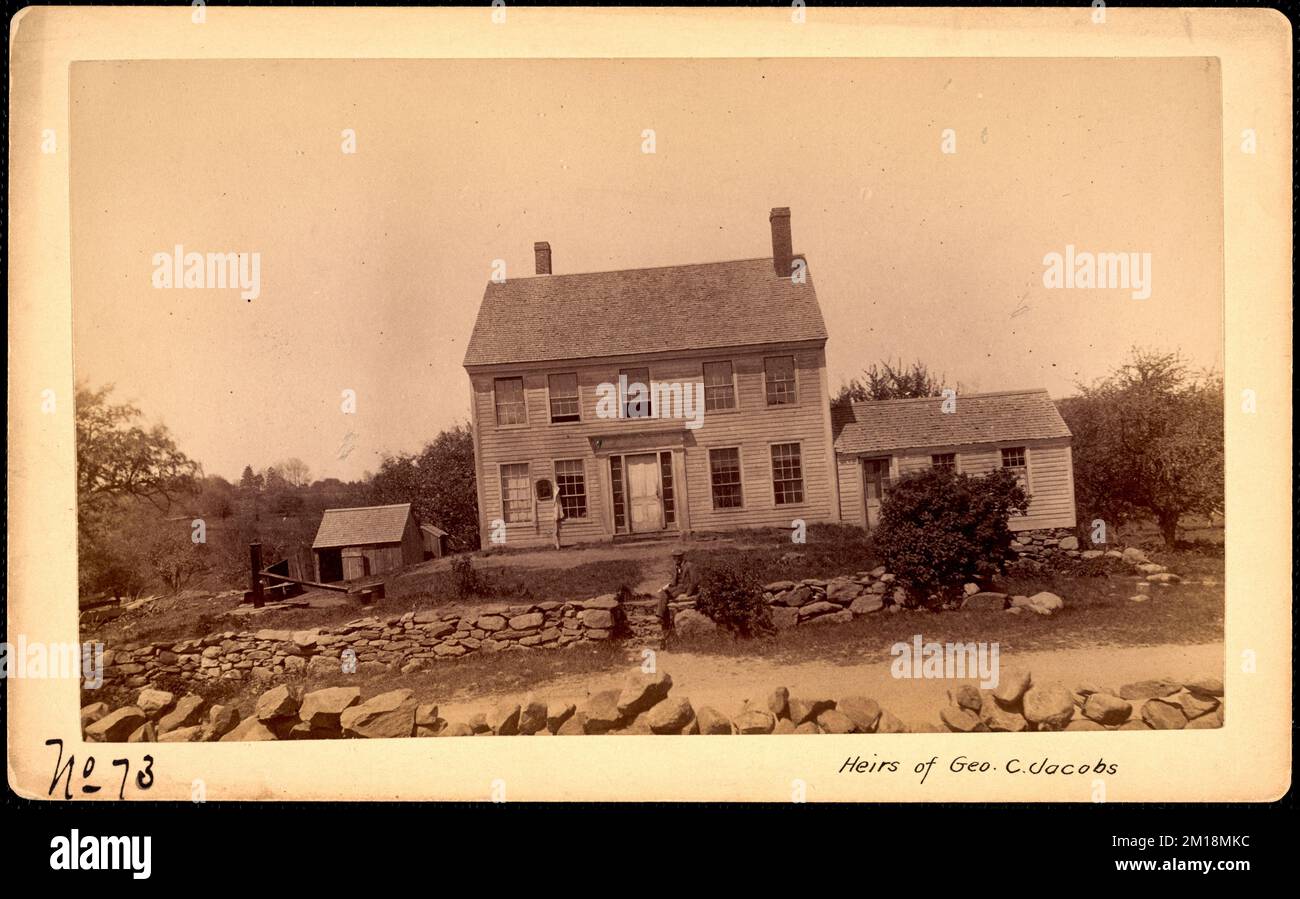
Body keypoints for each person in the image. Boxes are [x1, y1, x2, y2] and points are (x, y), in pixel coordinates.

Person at [654, 547, 700, 630]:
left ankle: (661, 617)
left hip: (685, 588)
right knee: (663, 592)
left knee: (669, 595)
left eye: (678, 557)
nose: (675, 559)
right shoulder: (675, 567)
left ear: (682, 557)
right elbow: (673, 581)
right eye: (674, 557)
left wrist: (688, 593)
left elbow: (694, 581)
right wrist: (665, 587)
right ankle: (660, 616)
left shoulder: (690, 565)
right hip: (677, 586)